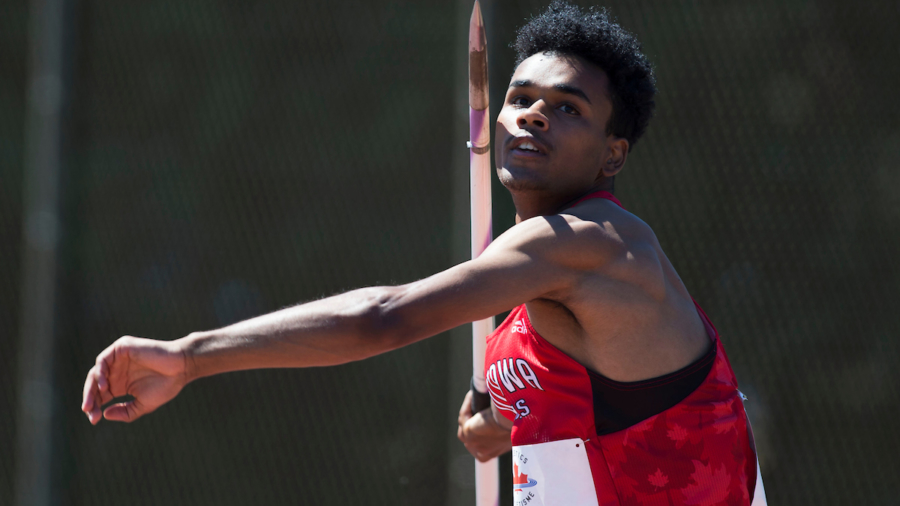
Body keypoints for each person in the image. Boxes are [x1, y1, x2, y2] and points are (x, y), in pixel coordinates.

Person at [83, 2, 764, 504]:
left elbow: (384, 317)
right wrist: (504, 425)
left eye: (566, 109)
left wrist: (191, 355)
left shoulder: (594, 246)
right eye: (521, 98)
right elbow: (594, 411)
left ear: (613, 152)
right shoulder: (529, 275)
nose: (531, 114)